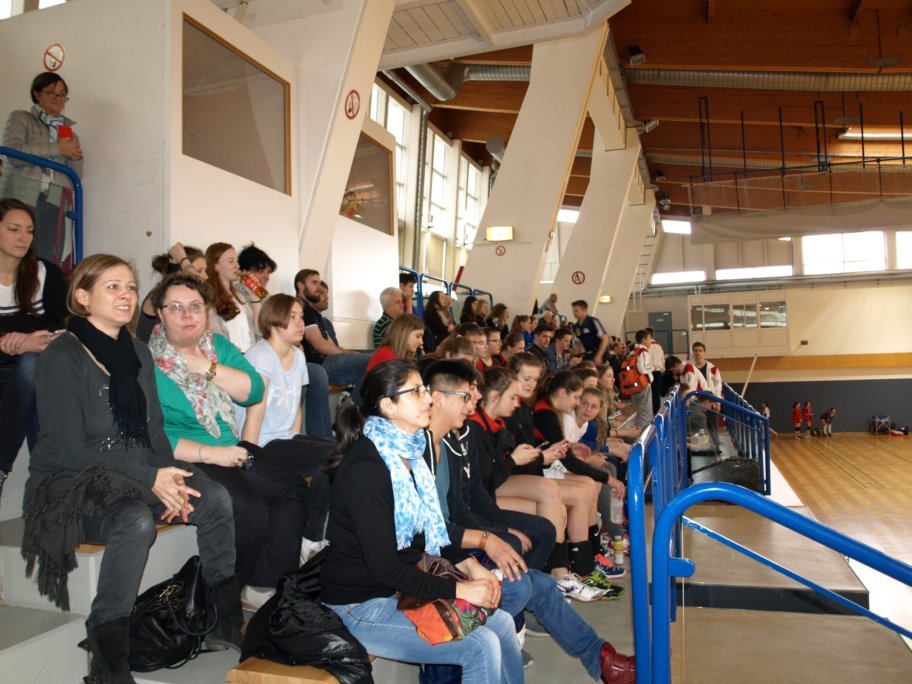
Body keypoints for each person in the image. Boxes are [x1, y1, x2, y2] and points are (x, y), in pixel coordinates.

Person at [22, 255, 242, 683]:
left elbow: (154, 434)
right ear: (83, 297)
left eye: (130, 287)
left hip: (136, 472)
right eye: (112, 287)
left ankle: (223, 620)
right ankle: (108, 661)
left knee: (213, 497)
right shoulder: (62, 355)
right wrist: (150, 478)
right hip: (70, 483)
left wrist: (169, 475)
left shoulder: (137, 352)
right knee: (135, 520)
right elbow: (68, 451)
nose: (125, 295)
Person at [421, 361, 636, 684]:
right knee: (521, 581)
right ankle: (502, 634)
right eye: (468, 394)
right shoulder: (421, 451)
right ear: (436, 398)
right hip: (436, 564)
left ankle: (605, 662)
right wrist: (486, 542)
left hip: (452, 551)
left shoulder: (451, 442)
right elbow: (429, 532)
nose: (475, 399)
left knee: (541, 582)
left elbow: (463, 505)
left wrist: (494, 534)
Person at [320, 360, 524, 683]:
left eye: (425, 390)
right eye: (416, 392)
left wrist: (470, 565)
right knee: (479, 646)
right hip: (358, 606)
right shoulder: (367, 469)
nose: (428, 398)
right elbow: (385, 568)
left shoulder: (410, 454)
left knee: (501, 623)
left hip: (394, 592)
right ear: (388, 406)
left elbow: (430, 531)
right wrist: (460, 589)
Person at [149, 273, 311, 608]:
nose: (187, 314)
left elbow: (252, 391)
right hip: (189, 454)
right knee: (249, 506)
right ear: (160, 314)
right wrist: (211, 453)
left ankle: (263, 585)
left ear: (206, 311)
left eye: (195, 306)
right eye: (176, 307)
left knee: (292, 488)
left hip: (232, 447)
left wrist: (206, 367)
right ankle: (225, 602)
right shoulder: (147, 362)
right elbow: (155, 434)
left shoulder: (217, 347)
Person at [0, 198, 67, 499]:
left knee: (33, 366)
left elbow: (63, 325)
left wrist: (25, 341)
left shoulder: (45, 272)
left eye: (29, 230)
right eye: (14, 229)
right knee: (35, 375)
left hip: (37, 368)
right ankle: (49, 492)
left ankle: (3, 465)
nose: (23, 237)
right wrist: (15, 340)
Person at [1, 72, 83, 262]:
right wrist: (57, 148)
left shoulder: (69, 134)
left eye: (62, 94)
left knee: (45, 256)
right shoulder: (21, 118)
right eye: (51, 92)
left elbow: (75, 177)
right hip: (22, 195)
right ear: (37, 94)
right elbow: (13, 154)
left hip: (54, 199)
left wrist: (76, 158)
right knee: (16, 252)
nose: (57, 98)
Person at [294, 268, 370, 398]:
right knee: (376, 361)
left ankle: (351, 402)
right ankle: (352, 403)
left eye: (319, 283)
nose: (319, 287)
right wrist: (349, 356)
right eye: (314, 283)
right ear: (300, 286)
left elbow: (329, 344)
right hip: (320, 365)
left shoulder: (311, 311)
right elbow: (321, 345)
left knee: (371, 362)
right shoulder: (301, 308)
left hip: (326, 362)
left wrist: (353, 354)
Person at [136, 243, 206, 343]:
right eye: (199, 271)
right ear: (181, 270)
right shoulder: (161, 293)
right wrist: (183, 259)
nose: (206, 276)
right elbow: (202, 286)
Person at [206, 242, 260, 353]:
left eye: (237, 261)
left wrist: (253, 296)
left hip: (249, 356)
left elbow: (259, 330)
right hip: (232, 358)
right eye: (231, 261)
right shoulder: (209, 298)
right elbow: (216, 338)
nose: (237, 266)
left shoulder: (239, 295)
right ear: (215, 266)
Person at [680, 342, 722, 451]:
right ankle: (703, 448)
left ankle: (716, 447)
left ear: (704, 352)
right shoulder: (689, 367)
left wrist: (717, 402)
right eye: (696, 350)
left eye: (700, 350)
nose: (698, 353)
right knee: (699, 427)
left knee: (712, 425)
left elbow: (718, 385)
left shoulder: (712, 368)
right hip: (696, 402)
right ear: (693, 353)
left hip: (709, 401)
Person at [628, 330, 654, 428]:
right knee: (646, 415)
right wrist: (652, 367)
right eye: (649, 338)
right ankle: (644, 435)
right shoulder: (643, 351)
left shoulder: (632, 351)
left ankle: (637, 433)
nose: (651, 341)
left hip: (633, 385)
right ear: (643, 340)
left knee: (638, 413)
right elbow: (642, 369)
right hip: (642, 385)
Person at [644, 327, 665, 414]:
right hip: (658, 372)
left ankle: (650, 414)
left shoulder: (645, 347)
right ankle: (657, 414)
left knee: (648, 395)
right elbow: (663, 360)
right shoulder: (659, 346)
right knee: (656, 395)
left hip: (648, 372)